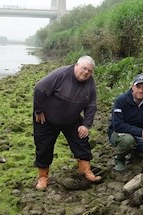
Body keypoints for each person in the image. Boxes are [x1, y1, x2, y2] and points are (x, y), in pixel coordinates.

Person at [32, 55, 102, 190]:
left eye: (90, 71)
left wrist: (86, 124)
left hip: (72, 118)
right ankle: (43, 177)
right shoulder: (61, 74)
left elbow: (91, 106)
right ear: (76, 66)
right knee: (43, 147)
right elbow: (39, 89)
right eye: (84, 68)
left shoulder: (90, 83)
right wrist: (38, 111)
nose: (86, 72)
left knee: (82, 140)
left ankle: (86, 171)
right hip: (47, 118)